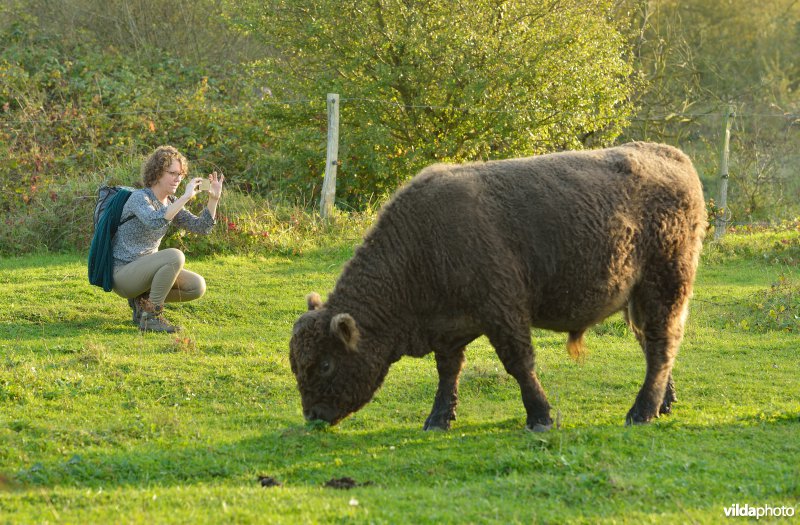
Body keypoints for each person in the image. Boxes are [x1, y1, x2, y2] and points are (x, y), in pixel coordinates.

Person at [111, 145, 224, 333]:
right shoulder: (139, 198)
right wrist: (186, 197)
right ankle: (150, 317)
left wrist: (213, 199)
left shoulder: (171, 202)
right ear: (157, 173)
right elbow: (154, 221)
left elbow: (202, 227)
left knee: (197, 286)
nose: (178, 179)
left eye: (180, 174)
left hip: (146, 272)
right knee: (175, 256)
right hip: (123, 274)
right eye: (172, 173)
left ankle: (142, 303)